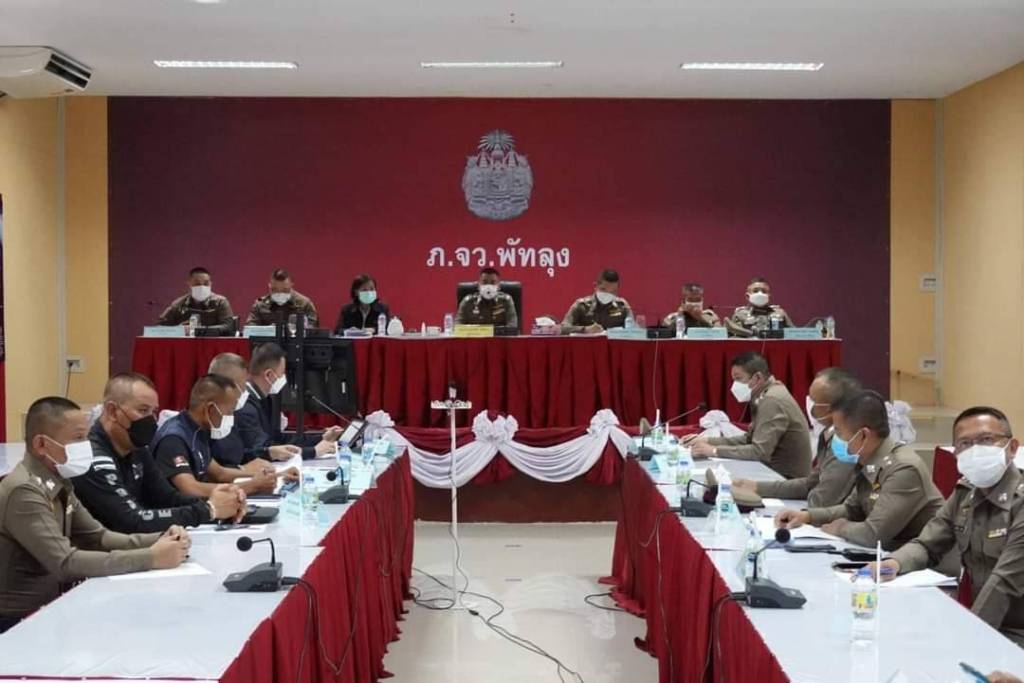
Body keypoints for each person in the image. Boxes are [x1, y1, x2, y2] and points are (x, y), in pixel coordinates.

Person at [0, 397, 189, 633]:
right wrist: (151, 557)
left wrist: (161, 538)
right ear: (41, 445)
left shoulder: (60, 479)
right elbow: (65, 562)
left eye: (87, 437)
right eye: (78, 438)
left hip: (52, 609)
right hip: (17, 623)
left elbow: (98, 537)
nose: (86, 446)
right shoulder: (24, 491)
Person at [869, 407, 1024, 646]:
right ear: (956, 453)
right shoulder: (965, 494)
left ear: (1012, 447)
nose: (975, 450)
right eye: (965, 443)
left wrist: (971, 637)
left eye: (986, 440)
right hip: (987, 624)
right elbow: (928, 543)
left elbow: (1005, 581)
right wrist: (894, 563)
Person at [73, 373, 245, 534]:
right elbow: (131, 520)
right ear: (112, 411)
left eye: (153, 412)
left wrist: (222, 501)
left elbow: (166, 497)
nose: (151, 419)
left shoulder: (137, 448)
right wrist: (208, 510)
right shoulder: (94, 458)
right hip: (107, 550)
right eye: (142, 410)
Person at [775, 390, 944, 551]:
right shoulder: (869, 460)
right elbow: (851, 509)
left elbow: (873, 534)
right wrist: (807, 516)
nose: (835, 439)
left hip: (925, 565)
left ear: (863, 435)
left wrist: (840, 528)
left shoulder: (904, 469)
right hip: (888, 556)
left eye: (839, 432)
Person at [733, 367, 861, 507]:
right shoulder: (829, 434)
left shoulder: (847, 443)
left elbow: (822, 500)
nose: (809, 404)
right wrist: (757, 487)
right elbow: (810, 483)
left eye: (813, 400)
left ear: (830, 408)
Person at [150, 374, 294, 498]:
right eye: (230, 411)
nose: (232, 418)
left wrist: (276, 476)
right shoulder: (173, 439)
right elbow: (190, 489)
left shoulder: (198, 430)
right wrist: (251, 486)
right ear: (211, 409)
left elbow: (219, 473)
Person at [687, 352, 812, 479]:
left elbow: (759, 452)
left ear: (757, 377)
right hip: (772, 470)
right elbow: (749, 439)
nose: (734, 385)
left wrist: (713, 450)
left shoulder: (772, 400)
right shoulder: (765, 393)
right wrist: (706, 440)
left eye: (738, 379)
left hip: (786, 479)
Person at [240, 342, 343, 460]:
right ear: (268, 374)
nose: (284, 378)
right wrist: (313, 452)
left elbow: (278, 439)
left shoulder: (266, 399)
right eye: (282, 373)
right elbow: (264, 450)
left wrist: (321, 438)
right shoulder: (245, 406)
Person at [206, 353, 301, 468]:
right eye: (242, 385)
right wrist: (244, 470)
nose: (245, 391)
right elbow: (215, 471)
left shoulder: (228, 416)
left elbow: (239, 456)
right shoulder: (201, 426)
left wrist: (269, 452)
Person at [157, 266, 235, 335]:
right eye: (197, 284)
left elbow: (228, 327)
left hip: (213, 343)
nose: (202, 287)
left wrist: (199, 330)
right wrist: (179, 329)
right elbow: (160, 327)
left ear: (211, 284)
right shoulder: (178, 304)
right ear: (189, 284)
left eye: (206, 283)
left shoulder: (221, 302)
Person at [561, 268, 633, 334]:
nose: (608, 294)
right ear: (595, 286)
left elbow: (632, 331)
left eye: (612, 292)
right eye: (603, 290)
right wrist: (585, 329)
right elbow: (563, 328)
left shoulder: (622, 306)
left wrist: (635, 329)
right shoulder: (581, 305)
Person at [246, 268, 319, 328]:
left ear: (291, 285)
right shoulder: (260, 304)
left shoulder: (304, 303)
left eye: (285, 290)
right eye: (274, 290)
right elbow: (250, 328)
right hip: (267, 341)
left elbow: (313, 328)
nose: (280, 294)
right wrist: (269, 329)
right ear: (269, 286)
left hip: (296, 341)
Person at [725, 276, 795, 337]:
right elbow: (731, 338)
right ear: (747, 296)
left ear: (769, 296)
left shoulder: (780, 313)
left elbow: (794, 334)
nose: (760, 293)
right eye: (755, 291)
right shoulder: (740, 315)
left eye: (764, 291)